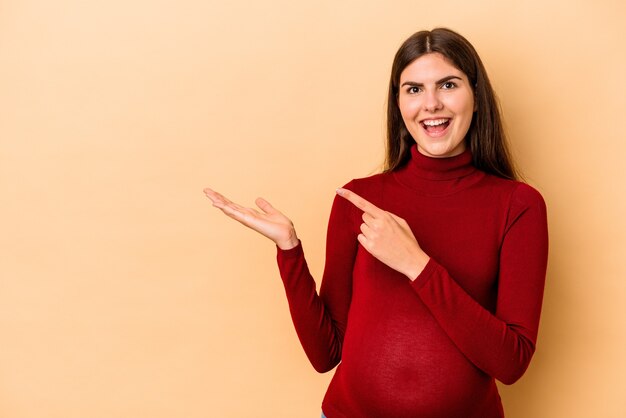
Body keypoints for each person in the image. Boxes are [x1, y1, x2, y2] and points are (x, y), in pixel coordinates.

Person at [204, 27, 548, 418]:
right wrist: (289, 250)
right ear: (399, 105)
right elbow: (325, 354)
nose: (431, 103)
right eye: (414, 89)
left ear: (475, 96)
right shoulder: (358, 200)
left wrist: (415, 264)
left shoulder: (518, 205)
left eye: (447, 85)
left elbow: (511, 364)